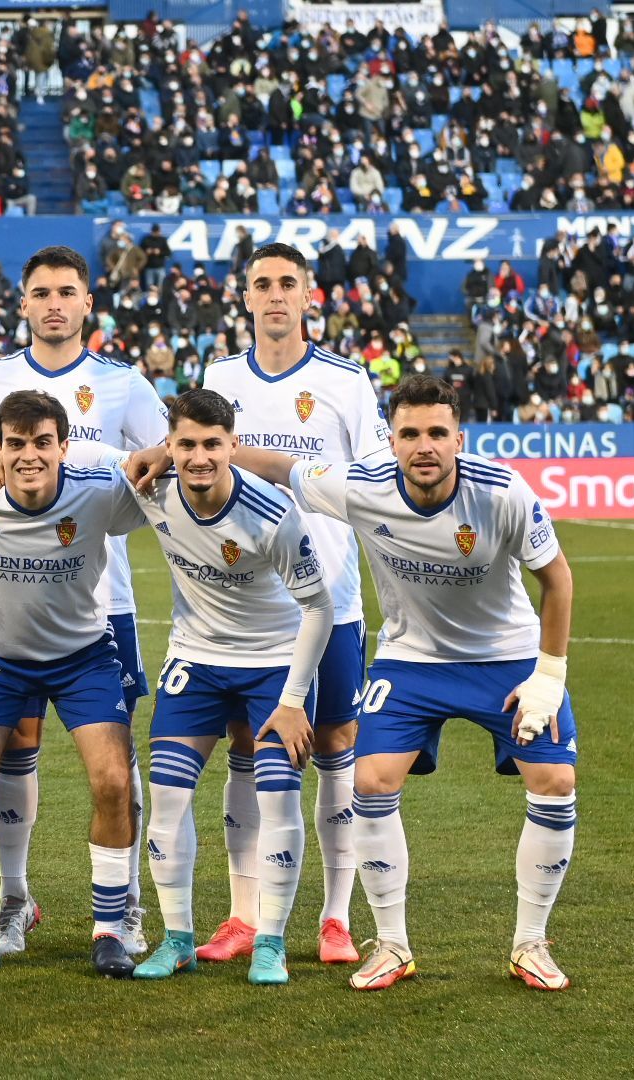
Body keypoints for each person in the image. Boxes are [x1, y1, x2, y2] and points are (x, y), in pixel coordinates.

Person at [235, 373, 579, 993]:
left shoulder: (503, 491)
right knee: (370, 778)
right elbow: (280, 467)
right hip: (410, 661)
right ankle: (391, 943)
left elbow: (557, 578)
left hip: (508, 658)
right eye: (410, 433)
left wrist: (548, 674)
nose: (425, 446)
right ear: (390, 440)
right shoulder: (361, 485)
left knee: (554, 780)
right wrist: (193, 451)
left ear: (459, 437)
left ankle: (532, 942)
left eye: (437, 433)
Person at [0, 245, 168, 957]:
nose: (55, 303)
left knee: (116, 767)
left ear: (87, 303)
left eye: (68, 291)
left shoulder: (122, 383)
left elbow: (166, 463)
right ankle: (13, 900)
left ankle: (122, 910)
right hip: (9, 609)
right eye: (42, 292)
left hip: (104, 602)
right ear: (24, 304)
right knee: (9, 757)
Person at [197, 242, 391, 967]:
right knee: (249, 749)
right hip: (246, 606)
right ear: (243, 297)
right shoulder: (218, 377)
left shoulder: (347, 381)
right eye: (262, 285)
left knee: (338, 748)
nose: (275, 295)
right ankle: (243, 913)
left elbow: (371, 483)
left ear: (310, 295)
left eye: (287, 284)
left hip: (332, 601)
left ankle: (335, 919)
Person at [0, 391, 146, 979]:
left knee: (115, 780)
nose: (29, 455)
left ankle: (110, 930)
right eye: (14, 444)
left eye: (42, 442)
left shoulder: (99, 489)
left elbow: (171, 465)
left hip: (83, 658)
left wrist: (168, 451)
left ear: (64, 446)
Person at [127, 388, 332, 985]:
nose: (198, 457)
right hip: (197, 660)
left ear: (232, 446)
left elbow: (317, 608)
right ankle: (178, 938)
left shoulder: (272, 513)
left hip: (274, 664)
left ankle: (270, 941)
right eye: (185, 444)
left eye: (212, 444)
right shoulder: (152, 490)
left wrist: (293, 702)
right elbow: (84, 461)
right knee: (166, 795)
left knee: (276, 794)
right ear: (169, 446)